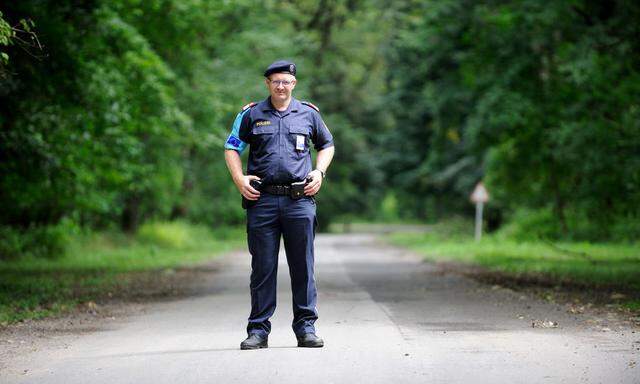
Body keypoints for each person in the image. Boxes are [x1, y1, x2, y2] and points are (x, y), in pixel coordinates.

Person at [223, 60, 335, 350]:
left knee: (303, 267)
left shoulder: (308, 114)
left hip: (300, 201)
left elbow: (327, 144)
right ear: (268, 84)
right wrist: (239, 179)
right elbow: (231, 147)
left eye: (286, 81)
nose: (281, 86)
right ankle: (258, 331)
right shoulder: (251, 114)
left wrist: (319, 172)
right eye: (276, 81)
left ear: (294, 84)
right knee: (263, 267)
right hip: (262, 201)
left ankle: (306, 328)